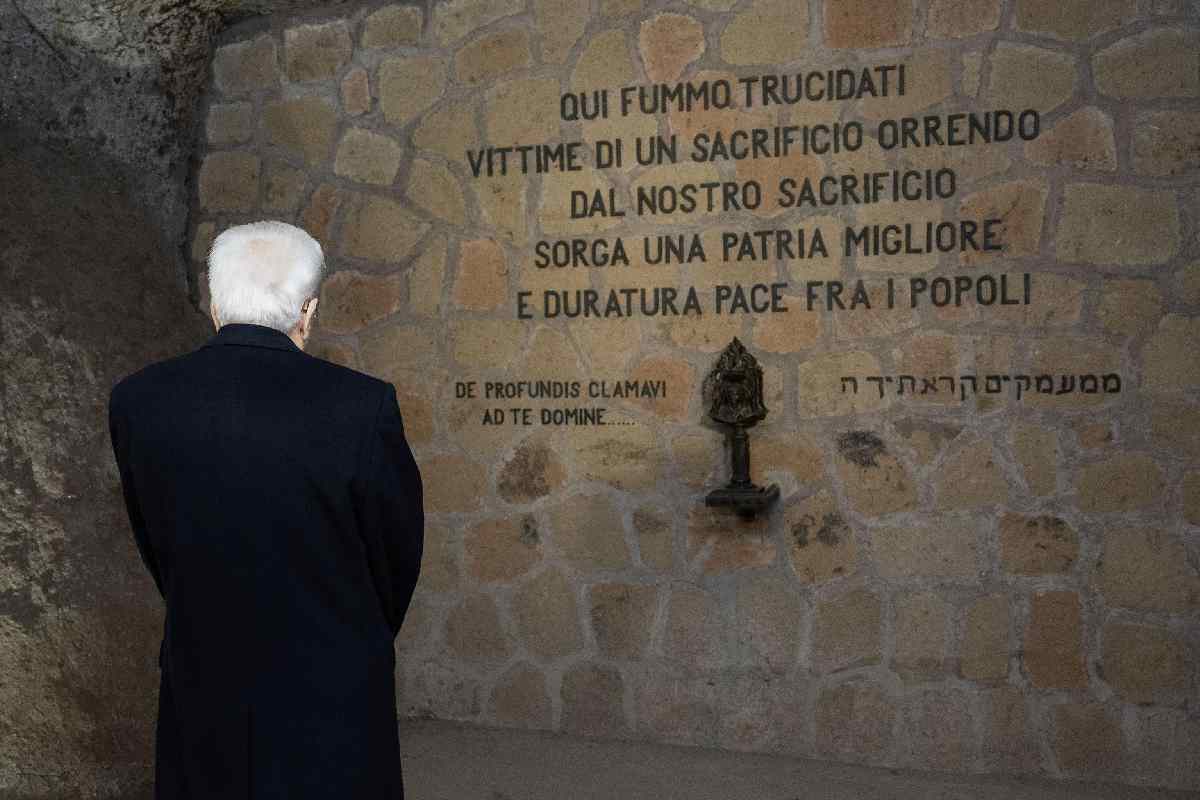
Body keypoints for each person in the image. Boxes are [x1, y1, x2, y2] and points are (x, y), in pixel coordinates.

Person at [107, 219, 424, 799]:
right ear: (307, 311)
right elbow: (397, 553)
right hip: (333, 682)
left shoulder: (138, 399)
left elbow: (153, 534)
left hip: (201, 667)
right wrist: (354, 634)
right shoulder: (363, 406)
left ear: (214, 304)